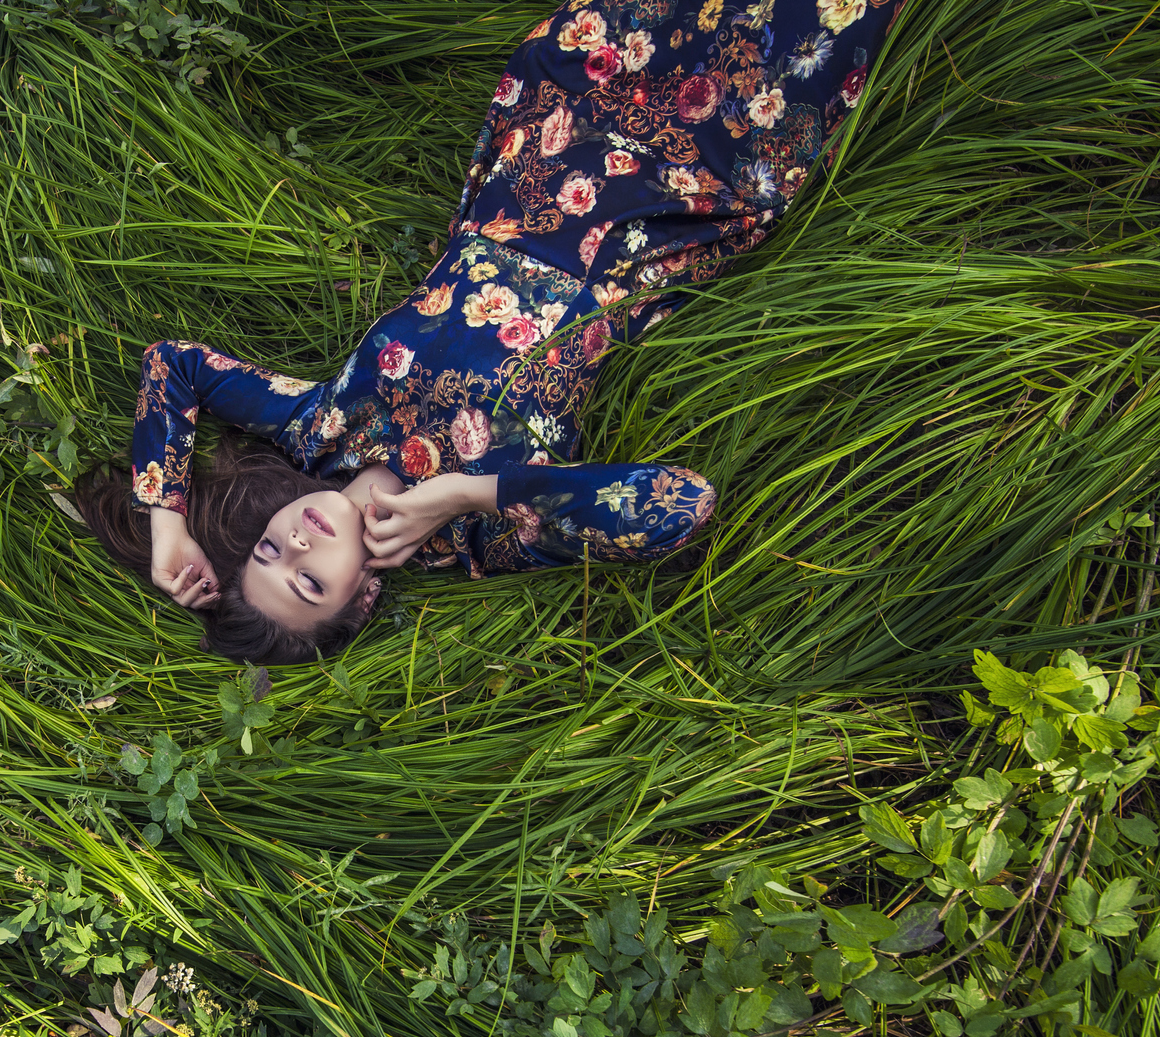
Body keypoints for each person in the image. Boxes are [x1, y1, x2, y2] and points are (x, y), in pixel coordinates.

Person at [77, 0, 900, 664]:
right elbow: (679, 507)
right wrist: (473, 492)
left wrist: (168, 522)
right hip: (670, 208)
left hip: (554, 135)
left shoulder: (318, 428)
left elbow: (173, 367)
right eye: (305, 582)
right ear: (360, 598)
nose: (293, 543)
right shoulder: (478, 538)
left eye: (266, 553)